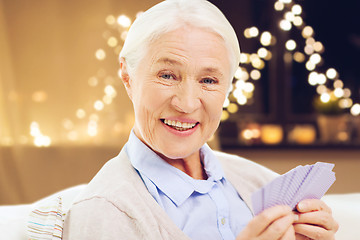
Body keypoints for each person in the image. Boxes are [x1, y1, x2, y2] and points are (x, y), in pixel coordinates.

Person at [63, 0, 338, 239]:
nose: (186, 104)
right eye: (167, 75)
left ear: (227, 88)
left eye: (208, 80)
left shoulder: (261, 181)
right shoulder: (102, 212)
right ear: (127, 76)